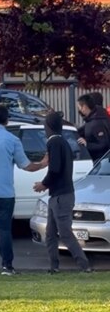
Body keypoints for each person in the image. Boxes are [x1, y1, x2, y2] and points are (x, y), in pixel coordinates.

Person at [0, 105, 48, 275]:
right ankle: (7, 266)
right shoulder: (12, 140)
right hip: (4, 191)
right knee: (4, 229)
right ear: (6, 120)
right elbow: (25, 165)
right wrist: (42, 163)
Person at [33, 112, 92, 273]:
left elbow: (55, 169)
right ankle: (54, 266)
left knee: (65, 232)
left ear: (48, 127)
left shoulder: (54, 142)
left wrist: (43, 184)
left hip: (61, 196)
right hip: (58, 194)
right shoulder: (63, 142)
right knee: (51, 233)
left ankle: (84, 265)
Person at [77, 94, 110, 164]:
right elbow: (81, 131)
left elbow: (104, 144)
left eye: (79, 107)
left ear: (84, 107)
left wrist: (87, 144)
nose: (79, 110)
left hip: (100, 162)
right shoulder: (91, 120)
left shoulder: (96, 123)